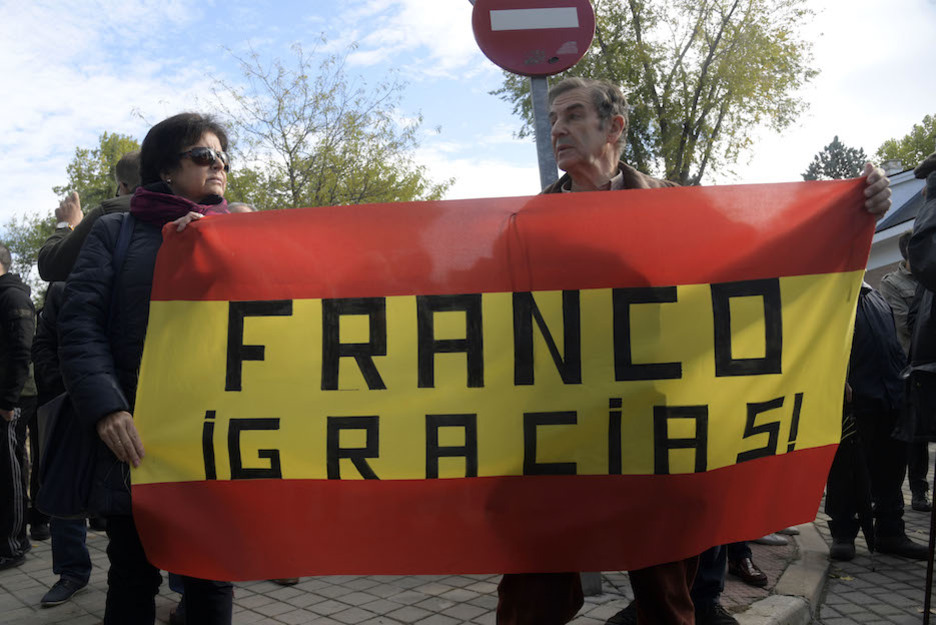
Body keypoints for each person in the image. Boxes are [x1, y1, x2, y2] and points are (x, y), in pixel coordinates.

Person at [494, 77, 892, 625]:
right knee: (529, 597)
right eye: (554, 119)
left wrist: (855, 211)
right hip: (558, 436)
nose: (557, 128)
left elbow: (760, 264)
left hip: (658, 433)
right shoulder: (525, 226)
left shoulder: (679, 208)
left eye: (574, 115)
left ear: (615, 127)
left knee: (667, 601)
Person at [58, 112, 234, 624]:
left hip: (217, 437)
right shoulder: (116, 232)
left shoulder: (242, 231)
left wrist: (221, 251)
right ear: (165, 170)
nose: (218, 165)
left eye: (223, 156)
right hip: (137, 436)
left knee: (212, 573)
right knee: (133, 573)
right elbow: (80, 324)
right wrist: (106, 409)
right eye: (203, 155)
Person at [33, 152, 141, 607]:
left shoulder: (113, 215)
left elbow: (51, 261)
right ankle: (74, 570)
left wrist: (70, 225)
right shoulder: (74, 282)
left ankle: (175, 581)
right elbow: (57, 328)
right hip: (88, 389)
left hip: (135, 389)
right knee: (71, 481)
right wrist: (67, 387)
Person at [825, 282, 927, 561]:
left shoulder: (877, 298)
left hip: (891, 395)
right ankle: (843, 534)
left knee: (892, 469)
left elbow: (892, 345)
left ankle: (890, 532)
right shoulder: (829, 296)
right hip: (855, 399)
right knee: (846, 469)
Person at [879, 230, 931, 512]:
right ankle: (919, 491)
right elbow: (905, 327)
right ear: (909, 253)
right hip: (910, 369)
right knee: (916, 434)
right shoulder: (893, 284)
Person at [38, 151, 141, 283]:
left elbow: (49, 266)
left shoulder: (108, 213)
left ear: (123, 187)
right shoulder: (174, 211)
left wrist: (65, 225)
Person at [0, 243, 37, 571]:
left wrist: (8, 400)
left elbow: (21, 349)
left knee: (10, 469)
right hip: (6, 397)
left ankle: (14, 545)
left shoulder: (12, 297)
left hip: (12, 399)